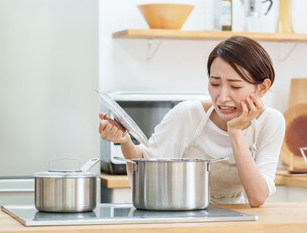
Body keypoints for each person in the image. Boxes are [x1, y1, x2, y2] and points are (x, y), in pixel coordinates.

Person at [98, 36, 285, 207]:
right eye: (214, 83)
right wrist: (125, 140)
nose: (222, 97)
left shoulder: (271, 122)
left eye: (235, 86)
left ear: (262, 88)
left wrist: (235, 132)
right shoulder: (186, 114)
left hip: (237, 216)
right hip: (182, 212)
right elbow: (145, 162)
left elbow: (257, 197)